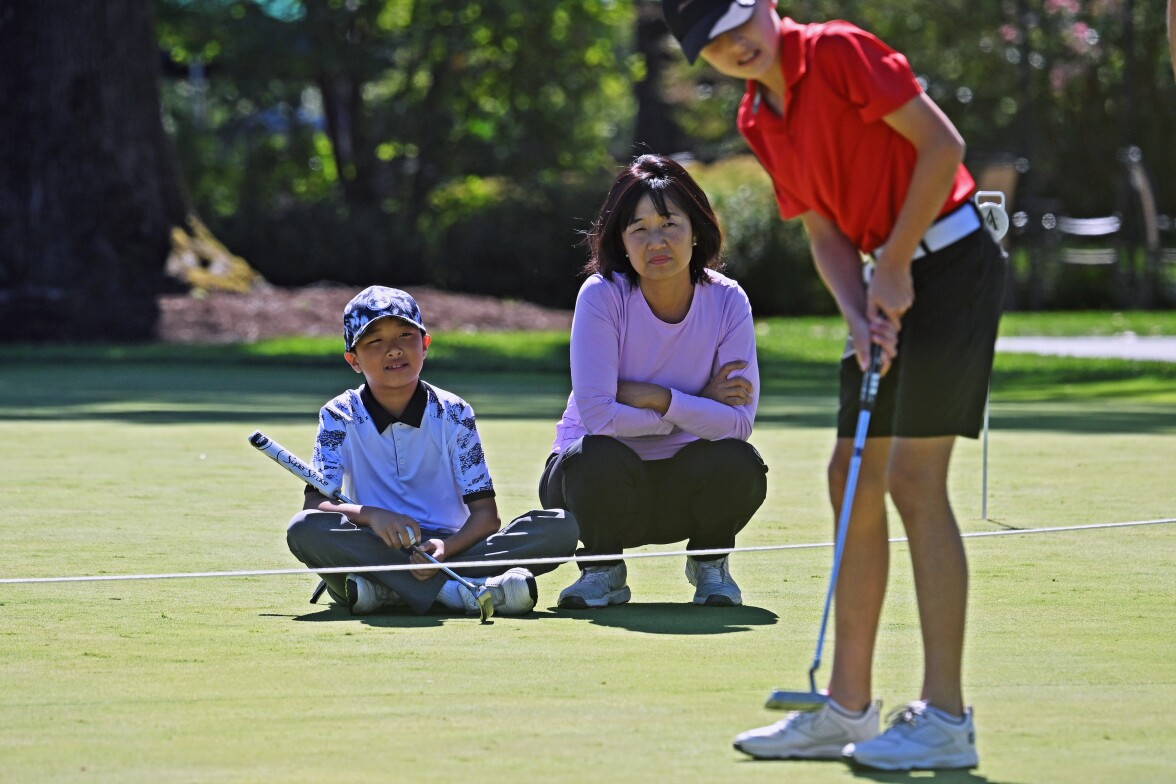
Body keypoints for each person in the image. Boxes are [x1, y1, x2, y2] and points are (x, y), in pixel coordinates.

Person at [661, 0, 1006, 772]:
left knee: (916, 480)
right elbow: (822, 229)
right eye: (711, 43)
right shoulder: (759, 117)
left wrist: (894, 263)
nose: (732, 46)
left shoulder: (840, 50)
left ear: (768, 7)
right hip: (885, 278)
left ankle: (947, 716)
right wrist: (858, 312)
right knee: (852, 474)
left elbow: (941, 147)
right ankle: (847, 706)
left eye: (736, 23)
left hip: (950, 264)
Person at [538, 154, 768, 610]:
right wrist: (695, 406)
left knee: (738, 462)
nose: (655, 241)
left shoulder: (728, 300)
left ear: (696, 229)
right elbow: (599, 419)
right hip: (592, 486)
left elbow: (738, 425)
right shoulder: (601, 295)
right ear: (621, 240)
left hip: (684, 485)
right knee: (594, 455)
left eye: (669, 224)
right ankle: (602, 570)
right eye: (638, 229)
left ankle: (710, 566)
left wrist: (657, 397)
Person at [286, 285, 579, 617]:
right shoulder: (338, 415)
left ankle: (387, 591)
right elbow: (316, 505)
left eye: (406, 336)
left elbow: (487, 516)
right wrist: (373, 515)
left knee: (560, 527)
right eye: (375, 341)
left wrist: (444, 549)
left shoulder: (454, 412)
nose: (394, 350)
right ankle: (459, 591)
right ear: (353, 360)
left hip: (454, 548)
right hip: (374, 544)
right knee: (304, 529)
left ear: (425, 345)